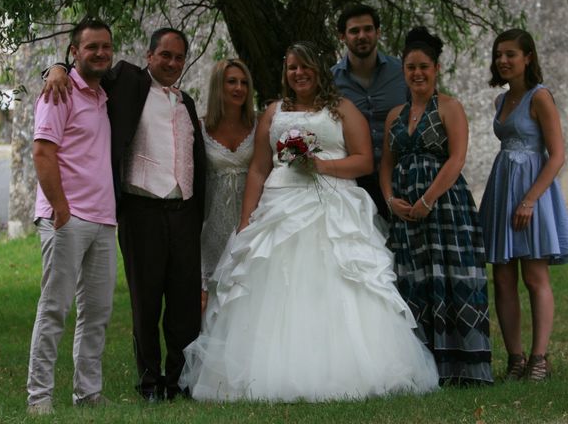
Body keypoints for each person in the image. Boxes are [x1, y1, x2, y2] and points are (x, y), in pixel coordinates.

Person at [179, 41, 439, 401]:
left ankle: (349, 368)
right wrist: (245, 221)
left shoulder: (343, 109)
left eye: (305, 67)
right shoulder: (272, 112)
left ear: (319, 71)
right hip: (279, 204)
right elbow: (258, 168)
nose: (298, 74)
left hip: (333, 204)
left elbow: (364, 160)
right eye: (291, 68)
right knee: (275, 285)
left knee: (335, 283)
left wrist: (321, 166)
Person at [43, 28, 206, 401]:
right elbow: (86, 69)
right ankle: (149, 383)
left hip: (184, 212)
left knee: (183, 305)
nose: (171, 63)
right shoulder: (127, 83)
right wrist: (55, 67)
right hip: (142, 210)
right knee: (146, 303)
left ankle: (179, 381)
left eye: (179, 57)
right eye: (164, 54)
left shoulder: (187, 102)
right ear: (149, 56)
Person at [379, 27, 493, 385]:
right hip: (405, 214)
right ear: (403, 71)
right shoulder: (394, 115)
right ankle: (421, 368)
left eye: (424, 66)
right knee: (415, 280)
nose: (417, 73)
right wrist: (389, 199)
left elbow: (457, 159)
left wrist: (428, 199)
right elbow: (386, 162)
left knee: (449, 277)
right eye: (411, 67)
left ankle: (461, 367)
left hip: (446, 208)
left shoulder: (450, 107)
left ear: (436, 68)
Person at [478, 29, 568, 381]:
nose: (503, 61)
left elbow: (557, 156)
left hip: (533, 195)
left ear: (528, 58)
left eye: (510, 54)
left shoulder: (540, 97)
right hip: (502, 187)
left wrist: (530, 200)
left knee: (535, 276)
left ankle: (539, 359)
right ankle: (515, 359)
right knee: (503, 278)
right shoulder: (500, 101)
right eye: (498, 55)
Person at [27, 18, 117, 415]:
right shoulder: (57, 91)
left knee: (97, 312)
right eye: (91, 47)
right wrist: (60, 210)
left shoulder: (104, 95)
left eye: (105, 47)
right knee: (55, 309)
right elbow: (42, 153)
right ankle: (39, 397)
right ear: (74, 50)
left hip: (103, 219)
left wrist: (56, 65)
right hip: (66, 218)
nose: (99, 53)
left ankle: (88, 393)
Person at [332, 4, 408, 218]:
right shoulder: (330, 82)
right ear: (342, 37)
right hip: (354, 185)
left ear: (378, 32)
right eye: (354, 31)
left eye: (368, 29)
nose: (362, 36)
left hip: (402, 178)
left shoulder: (403, 73)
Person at [200, 59, 257, 310]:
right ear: (218, 86)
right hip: (213, 221)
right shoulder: (200, 127)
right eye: (231, 81)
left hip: (253, 217)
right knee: (215, 293)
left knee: (250, 287)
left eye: (244, 83)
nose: (239, 88)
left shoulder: (259, 125)